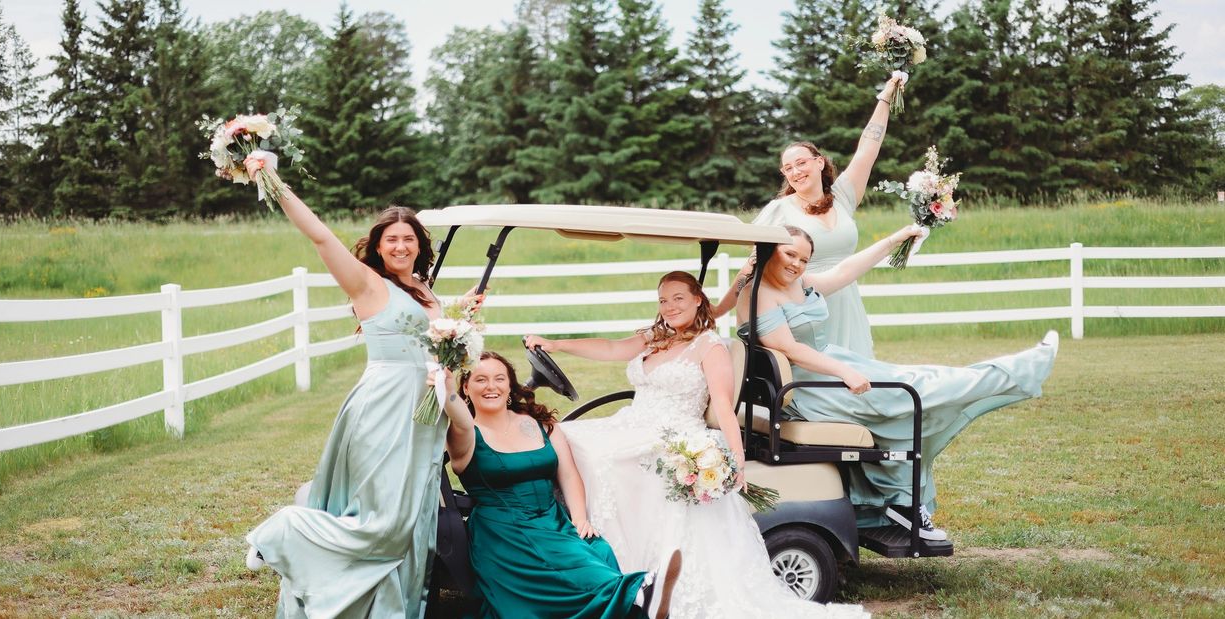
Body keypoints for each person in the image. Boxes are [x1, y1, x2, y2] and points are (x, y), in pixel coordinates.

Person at [525, 271, 870, 618]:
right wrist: (556, 345)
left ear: (697, 300)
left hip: (671, 435)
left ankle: (612, 567)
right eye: (663, 300)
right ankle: (562, 548)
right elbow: (611, 348)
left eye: (678, 298)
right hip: (632, 423)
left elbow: (722, 404)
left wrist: (735, 457)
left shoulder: (709, 346)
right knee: (564, 437)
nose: (669, 306)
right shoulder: (657, 337)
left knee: (600, 458)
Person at [737, 226, 1059, 537]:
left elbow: (845, 271)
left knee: (919, 387)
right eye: (790, 254)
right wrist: (843, 372)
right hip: (812, 389)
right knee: (916, 390)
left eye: (804, 259)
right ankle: (1018, 372)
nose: (796, 264)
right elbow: (790, 348)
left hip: (828, 371)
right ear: (771, 250)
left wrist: (895, 239)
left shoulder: (798, 282)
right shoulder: (759, 293)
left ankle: (901, 504)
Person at [242, 164, 449, 618]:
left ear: (420, 245)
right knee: (383, 520)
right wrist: (271, 181)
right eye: (391, 239)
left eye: (409, 238)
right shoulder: (367, 283)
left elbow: (431, 338)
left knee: (411, 514)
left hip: (425, 411)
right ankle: (284, 532)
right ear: (377, 246)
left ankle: (385, 606)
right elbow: (320, 237)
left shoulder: (423, 289)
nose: (400, 246)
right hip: (384, 407)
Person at [437, 352, 682, 619]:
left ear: (509, 385)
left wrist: (579, 519)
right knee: (563, 560)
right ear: (465, 387)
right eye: (480, 380)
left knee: (597, 549)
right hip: (503, 530)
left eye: (499, 378)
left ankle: (638, 599)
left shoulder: (539, 423)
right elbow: (459, 416)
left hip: (553, 520)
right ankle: (638, 591)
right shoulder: (464, 433)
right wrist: (447, 390)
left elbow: (568, 475)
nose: (491, 386)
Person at [715, 75, 908, 359]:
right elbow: (751, 268)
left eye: (801, 163)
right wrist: (719, 310)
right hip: (802, 306)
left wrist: (885, 97)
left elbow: (868, 149)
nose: (795, 172)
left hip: (846, 302)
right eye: (788, 168)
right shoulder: (779, 210)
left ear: (819, 162)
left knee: (857, 370)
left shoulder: (843, 197)